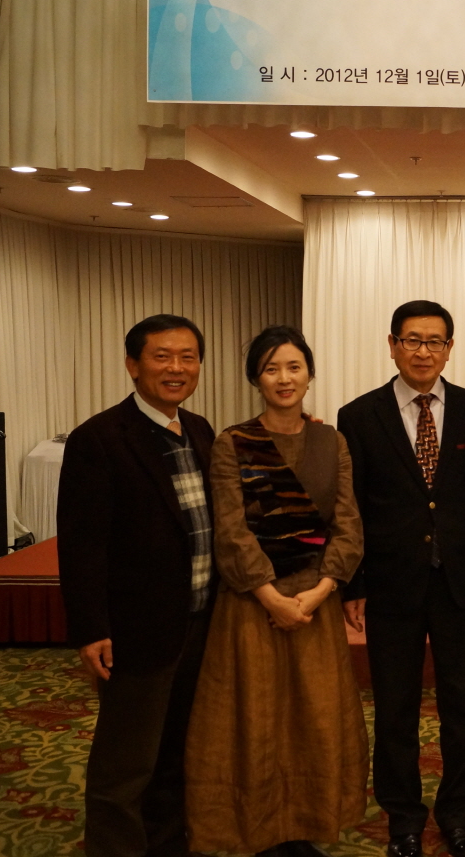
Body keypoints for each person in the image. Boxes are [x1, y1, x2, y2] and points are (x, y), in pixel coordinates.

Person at [185, 326, 367, 857]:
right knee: (255, 721)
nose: (284, 378)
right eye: (271, 369)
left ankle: (302, 825)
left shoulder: (331, 442)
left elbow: (348, 524)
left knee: (313, 721)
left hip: (315, 604)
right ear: (256, 379)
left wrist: (321, 590)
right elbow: (230, 529)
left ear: (309, 374)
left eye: (293, 367)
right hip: (251, 606)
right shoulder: (232, 443)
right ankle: (256, 829)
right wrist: (270, 597)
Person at [336, 301, 465, 857]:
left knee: (462, 708)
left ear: (449, 349)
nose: (423, 351)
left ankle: (458, 814)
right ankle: (402, 816)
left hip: (459, 587)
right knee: (395, 709)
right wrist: (353, 585)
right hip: (390, 585)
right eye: (412, 340)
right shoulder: (359, 416)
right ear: (392, 345)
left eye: (434, 341)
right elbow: (350, 507)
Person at [58, 314, 216, 857]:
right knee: (124, 767)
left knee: (174, 754)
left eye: (188, 357)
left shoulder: (199, 430)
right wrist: (91, 628)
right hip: (135, 631)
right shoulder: (99, 439)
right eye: (162, 356)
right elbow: (81, 545)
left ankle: (168, 845)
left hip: (197, 624)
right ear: (133, 364)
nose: (176, 368)